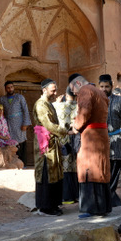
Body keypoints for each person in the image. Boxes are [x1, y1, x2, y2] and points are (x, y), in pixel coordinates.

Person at [69, 74, 111, 218]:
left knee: (89, 169)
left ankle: (91, 209)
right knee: (101, 168)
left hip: (91, 136)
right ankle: (103, 207)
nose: (75, 93)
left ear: (78, 83)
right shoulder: (99, 92)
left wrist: (75, 126)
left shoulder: (85, 90)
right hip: (102, 134)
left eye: (73, 90)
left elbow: (84, 112)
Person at [32, 78, 67, 216]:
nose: (55, 93)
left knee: (55, 172)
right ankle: (45, 207)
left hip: (52, 141)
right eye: (53, 90)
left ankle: (53, 204)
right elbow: (49, 125)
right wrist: (65, 131)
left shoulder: (49, 104)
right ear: (44, 90)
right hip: (45, 144)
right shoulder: (41, 105)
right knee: (46, 172)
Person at [98, 74, 121, 207]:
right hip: (100, 141)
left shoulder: (120, 101)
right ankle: (107, 197)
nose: (104, 89)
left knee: (116, 166)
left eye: (106, 86)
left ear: (111, 86)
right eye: (101, 86)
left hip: (117, 139)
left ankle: (110, 194)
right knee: (103, 169)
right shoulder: (95, 101)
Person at [52, 86, 79, 204]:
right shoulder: (79, 107)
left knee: (66, 167)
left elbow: (51, 108)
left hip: (64, 140)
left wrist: (57, 101)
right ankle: (77, 195)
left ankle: (67, 197)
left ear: (66, 95)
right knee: (76, 167)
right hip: (77, 140)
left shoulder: (59, 106)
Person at [0, 80, 31, 165]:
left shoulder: (20, 97)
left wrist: (25, 123)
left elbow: (25, 110)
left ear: (14, 87)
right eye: (8, 88)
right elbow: (1, 111)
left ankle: (24, 163)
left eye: (11, 87)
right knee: (11, 142)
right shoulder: (2, 99)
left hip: (20, 123)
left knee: (21, 142)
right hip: (8, 123)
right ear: (5, 89)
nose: (10, 89)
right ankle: (13, 163)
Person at [0, 103, 23, 169]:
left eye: (1, 110)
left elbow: (6, 131)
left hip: (6, 139)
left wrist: (7, 137)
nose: (0, 111)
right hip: (0, 139)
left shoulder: (4, 120)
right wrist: (2, 137)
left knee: (15, 143)